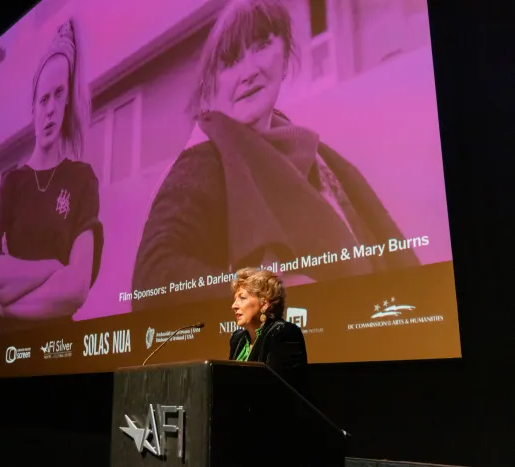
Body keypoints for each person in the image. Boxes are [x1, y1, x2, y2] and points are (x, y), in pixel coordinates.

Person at [131, 0, 418, 312]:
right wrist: (269, 296)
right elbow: (153, 280)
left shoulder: (323, 158)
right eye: (230, 61)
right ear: (213, 84)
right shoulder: (203, 162)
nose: (249, 70)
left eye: (262, 45)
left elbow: (392, 248)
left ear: (285, 57)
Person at [0, 19, 103, 335]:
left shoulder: (82, 179)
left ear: (68, 100)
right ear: (33, 107)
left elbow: (75, 288)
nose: (50, 108)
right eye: (43, 98)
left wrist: (10, 304)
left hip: (54, 350)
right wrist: (51, 268)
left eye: (58, 94)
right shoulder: (12, 182)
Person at [229, 267, 306, 392]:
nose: (234, 306)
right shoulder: (237, 339)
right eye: (235, 299)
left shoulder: (283, 332)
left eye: (242, 298)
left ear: (264, 304)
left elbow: (278, 390)